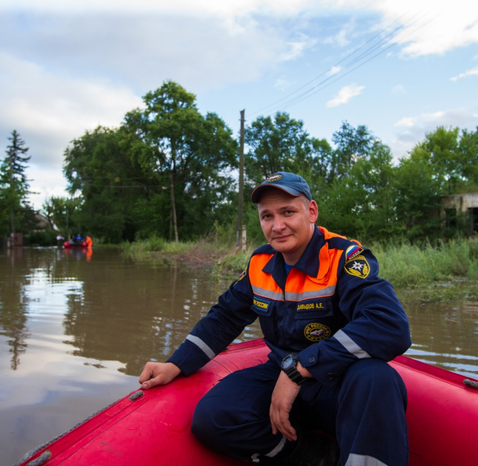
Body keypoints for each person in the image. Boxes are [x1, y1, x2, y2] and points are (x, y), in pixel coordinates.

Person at [139, 172, 411, 466]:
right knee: (213, 417)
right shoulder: (260, 263)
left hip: (340, 383)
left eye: (288, 212)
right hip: (279, 371)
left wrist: (301, 368)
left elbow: (390, 325)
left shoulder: (344, 258)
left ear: (311, 212)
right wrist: (176, 364)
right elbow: (224, 318)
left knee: (377, 378)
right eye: (267, 216)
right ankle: (319, 456)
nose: (277, 226)